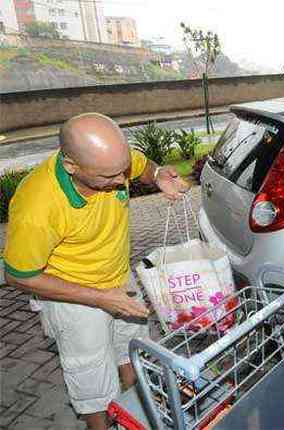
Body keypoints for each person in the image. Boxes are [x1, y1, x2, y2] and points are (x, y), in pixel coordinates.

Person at [2, 113, 189, 429]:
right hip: (71, 295)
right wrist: (100, 298)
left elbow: (142, 167)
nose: (121, 181)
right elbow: (19, 275)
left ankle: (135, 414)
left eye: (122, 170)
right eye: (109, 176)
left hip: (118, 275)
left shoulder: (115, 160)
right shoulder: (37, 205)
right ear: (72, 166)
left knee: (130, 349)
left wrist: (158, 174)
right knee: (91, 376)